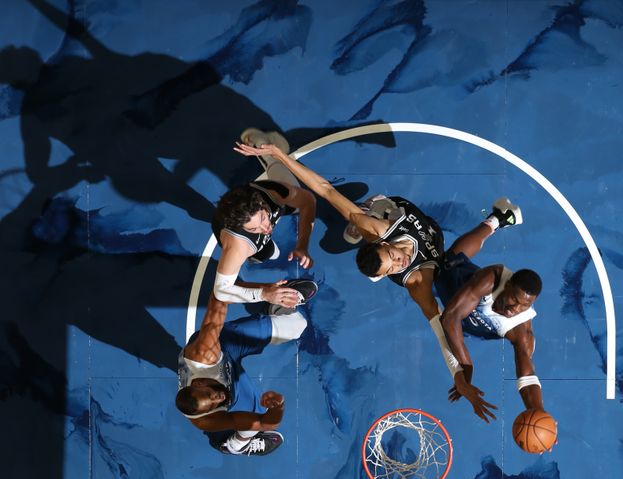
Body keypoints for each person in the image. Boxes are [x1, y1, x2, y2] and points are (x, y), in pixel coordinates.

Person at [232, 139, 526, 411]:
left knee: (364, 218)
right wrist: (460, 375)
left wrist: (279, 154)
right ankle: (497, 219)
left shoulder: (379, 231)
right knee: (451, 263)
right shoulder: (416, 282)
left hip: (395, 214)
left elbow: (325, 190)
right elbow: (440, 331)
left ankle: (369, 207)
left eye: (394, 257)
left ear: (384, 244)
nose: (401, 261)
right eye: (394, 267)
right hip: (432, 250)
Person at [175, 280, 316, 455]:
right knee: (252, 420)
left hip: (222, 348)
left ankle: (278, 301)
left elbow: (220, 296)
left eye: (209, 395)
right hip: (230, 382)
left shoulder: (204, 353)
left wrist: (266, 291)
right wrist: (277, 406)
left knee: (297, 325)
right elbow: (265, 423)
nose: (217, 398)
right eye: (213, 404)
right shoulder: (207, 419)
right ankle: (237, 445)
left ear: (198, 385)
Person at [436, 221, 552, 432]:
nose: (515, 309)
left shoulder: (521, 330)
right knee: (450, 258)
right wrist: (466, 371)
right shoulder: (490, 279)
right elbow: (449, 318)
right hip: (453, 282)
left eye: (523, 306)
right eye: (513, 300)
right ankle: (496, 220)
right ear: (507, 286)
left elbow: (526, 378)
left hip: (469, 320)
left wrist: (540, 417)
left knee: (463, 328)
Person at [212, 130, 317, 309]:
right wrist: (263, 294)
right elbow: (221, 290)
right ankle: (258, 250)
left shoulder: (274, 193)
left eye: (262, 218)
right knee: (265, 253)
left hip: (268, 197)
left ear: (261, 204)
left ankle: (265, 149)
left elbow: (308, 201)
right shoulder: (238, 245)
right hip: (240, 238)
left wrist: (302, 244)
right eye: (254, 229)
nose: (265, 228)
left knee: (294, 198)